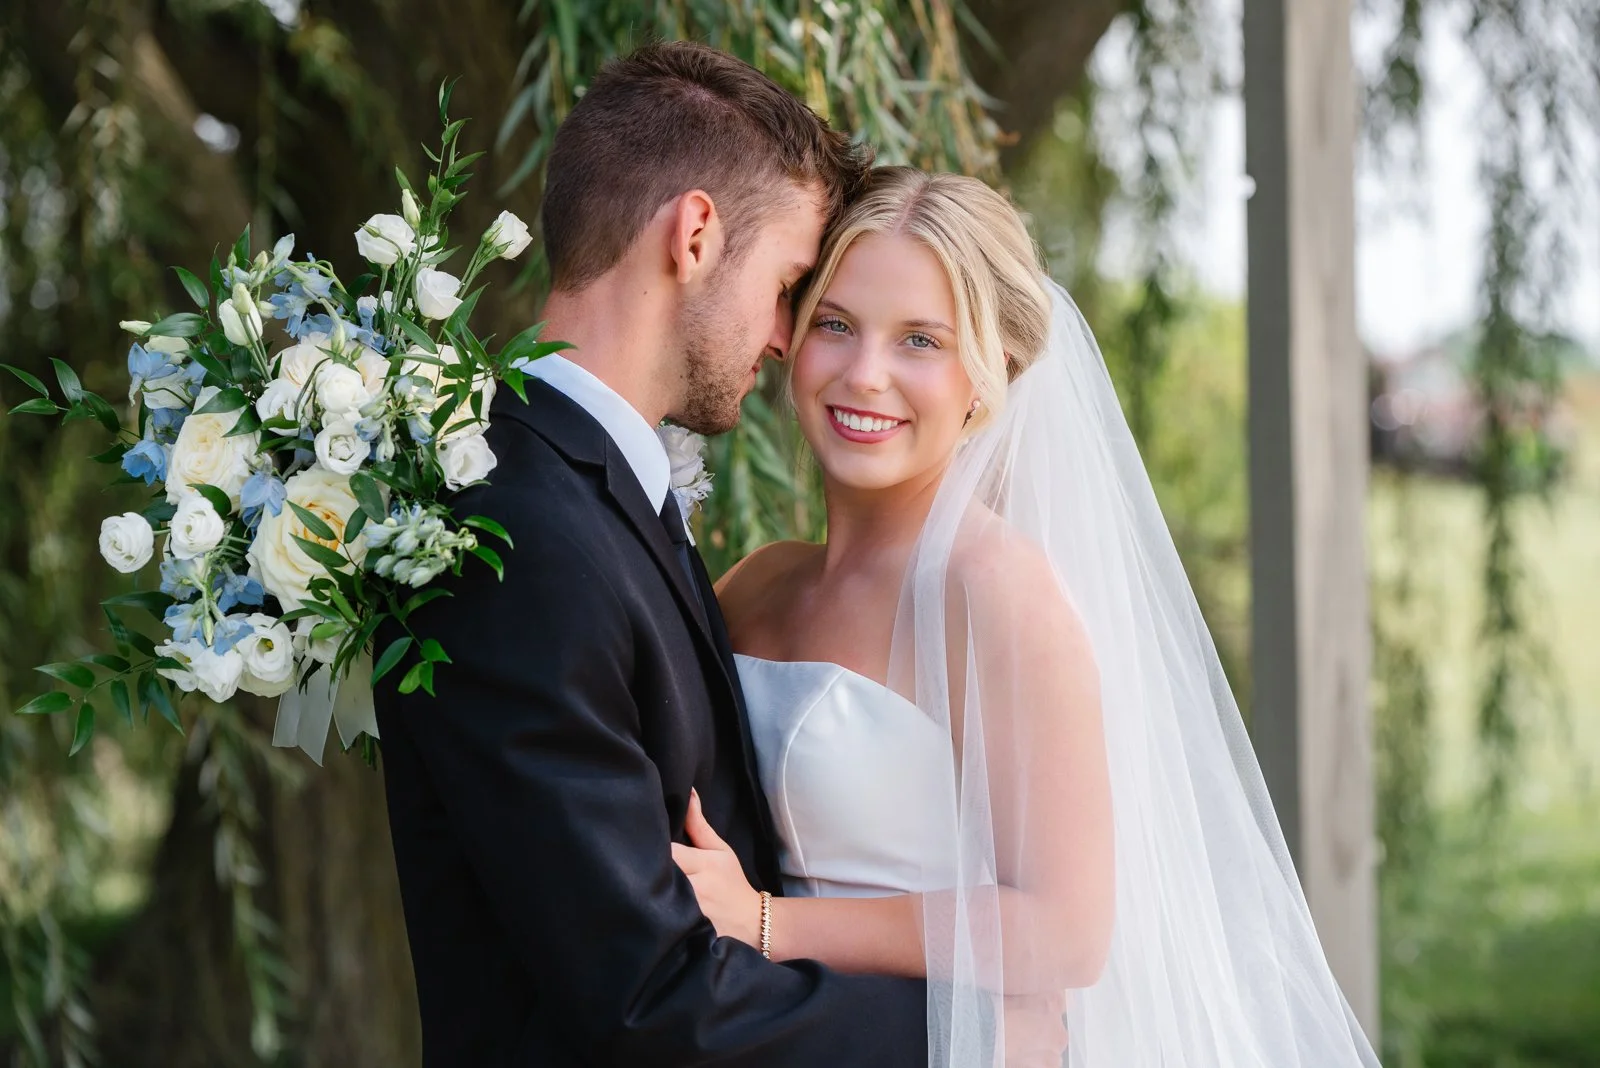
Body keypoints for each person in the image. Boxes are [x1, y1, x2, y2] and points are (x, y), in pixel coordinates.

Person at [375, 43, 1065, 1067]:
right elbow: (648, 995)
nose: (790, 341)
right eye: (801, 295)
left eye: (919, 339)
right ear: (695, 236)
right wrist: (973, 1042)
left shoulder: (604, 502)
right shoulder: (524, 534)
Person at [673, 166, 1386, 1067]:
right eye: (836, 324)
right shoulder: (758, 583)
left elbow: (1065, 930)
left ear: (990, 374)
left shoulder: (994, 593)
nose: (865, 374)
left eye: (921, 340)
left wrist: (770, 924)